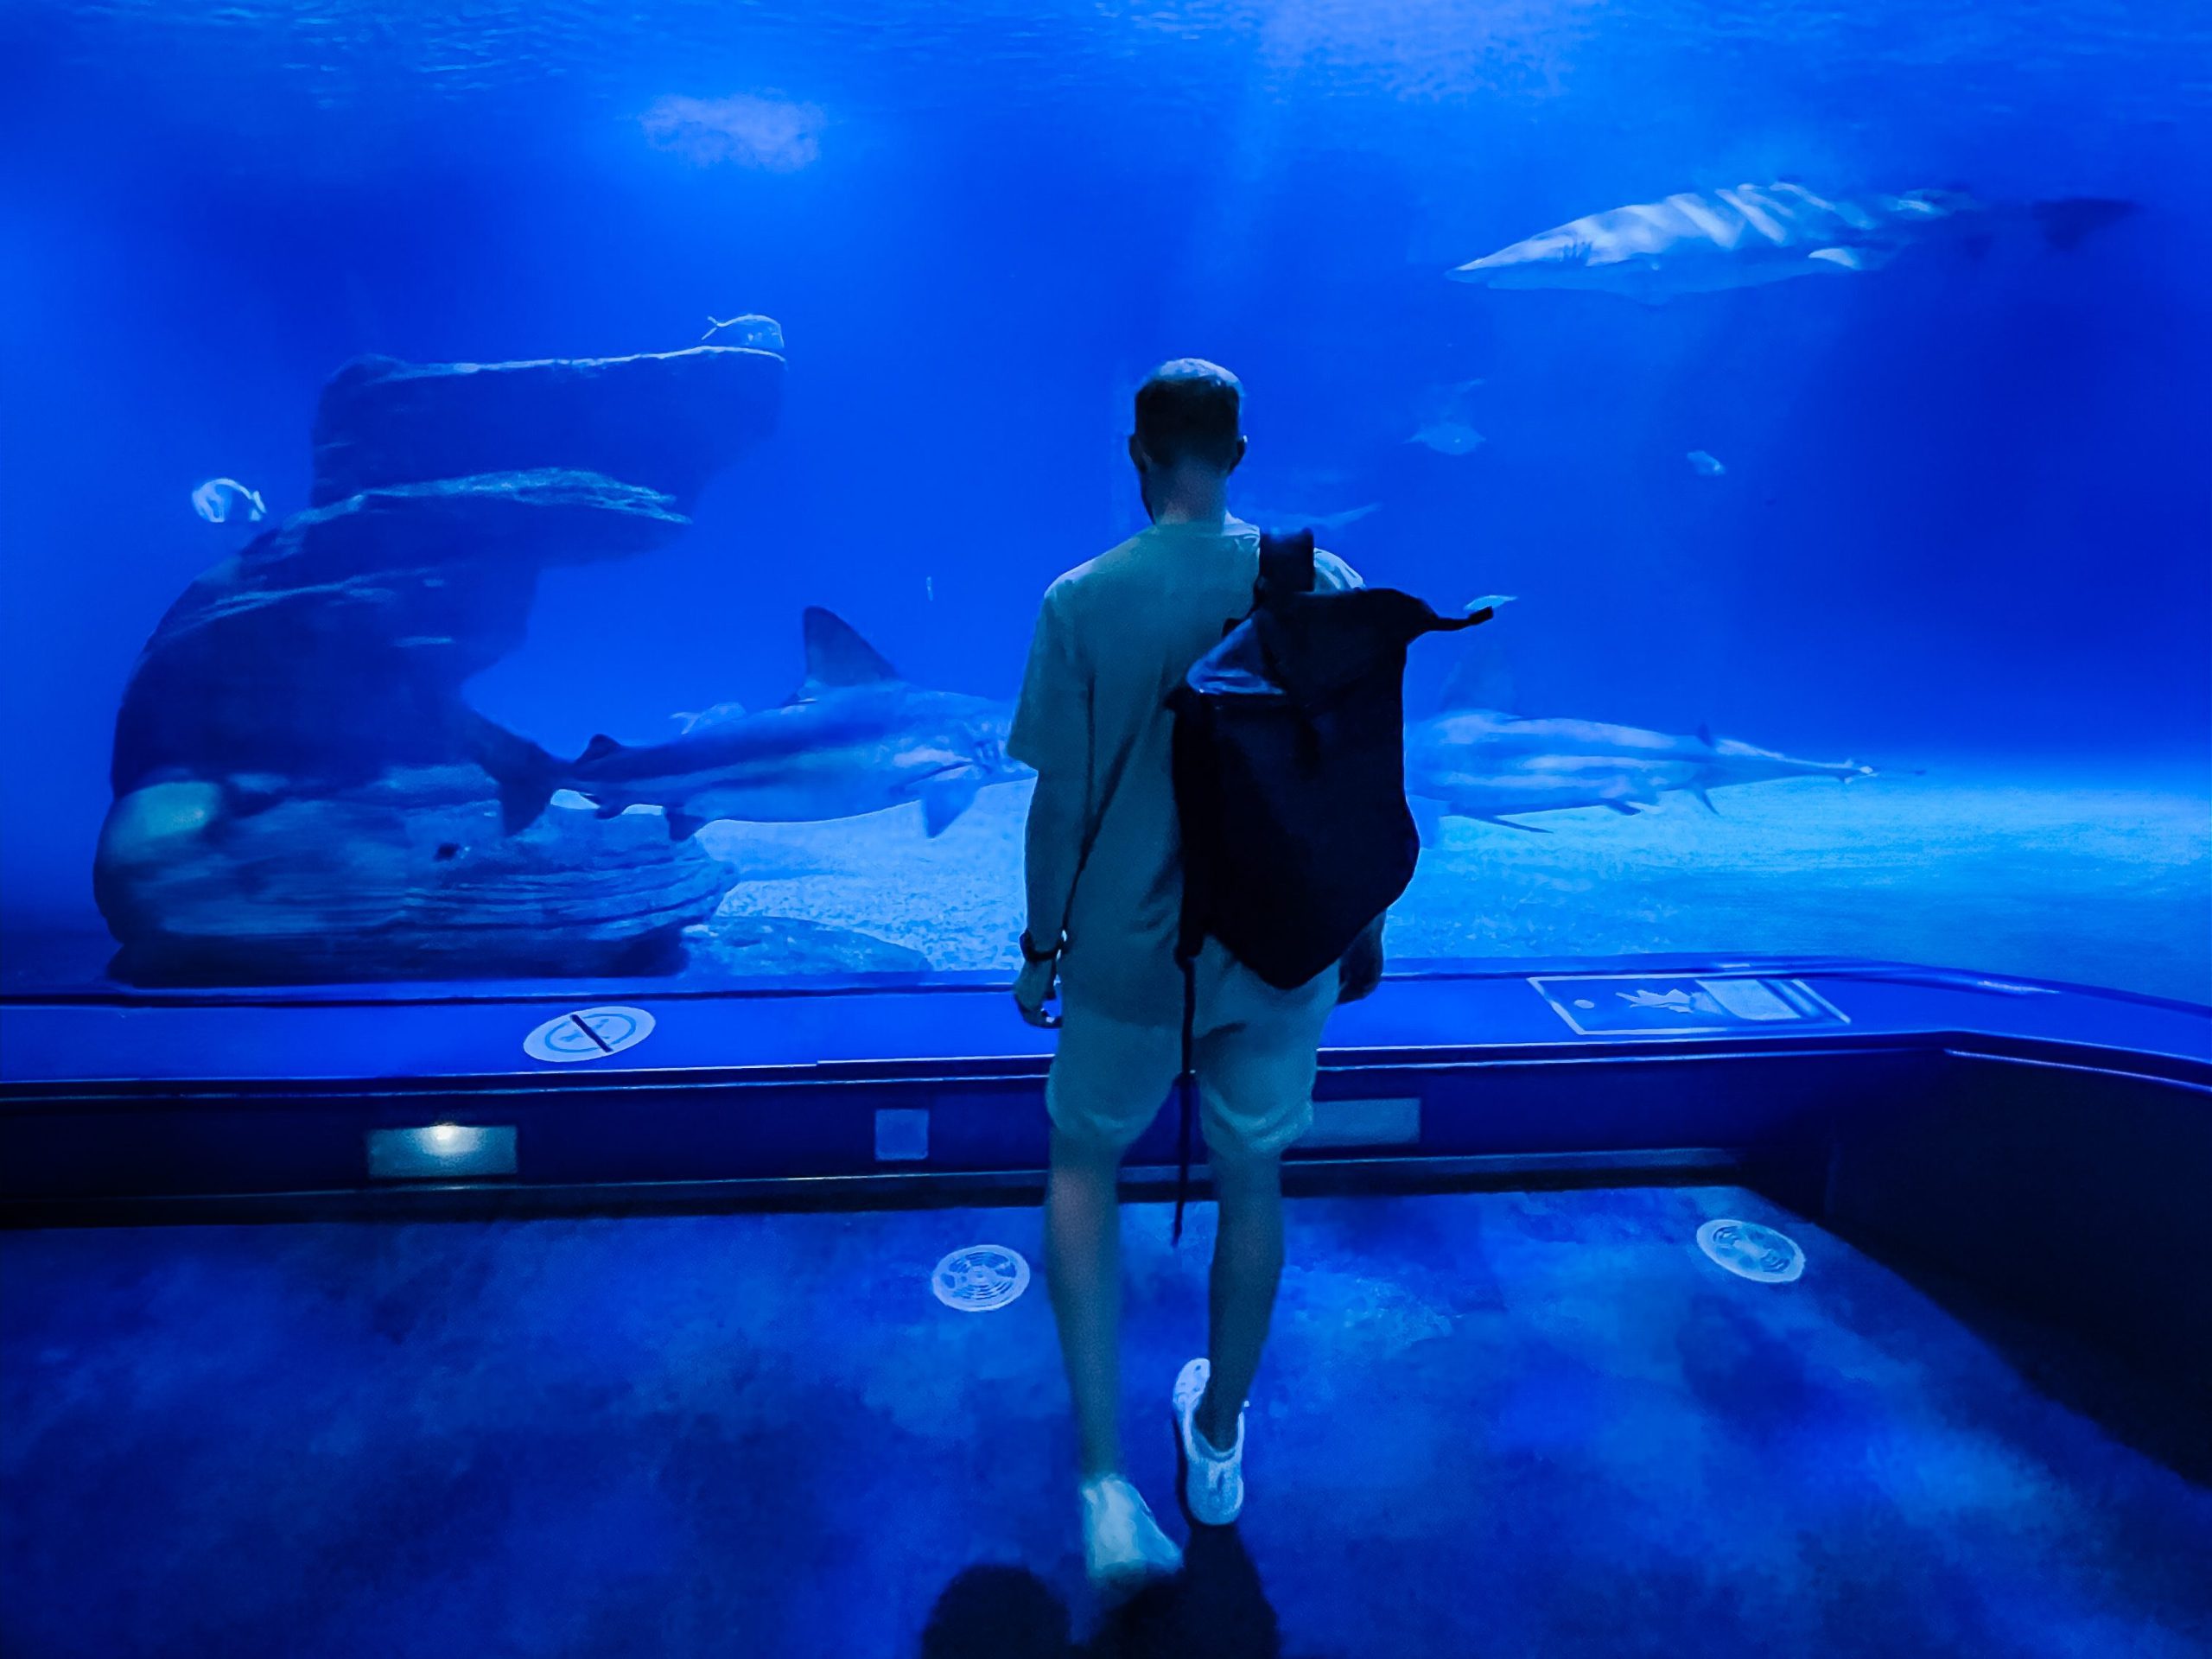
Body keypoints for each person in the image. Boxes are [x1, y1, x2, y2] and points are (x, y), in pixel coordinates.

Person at [1007, 360, 1359, 1592]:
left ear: (1135, 453)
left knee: (1082, 1164)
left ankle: (1106, 1482)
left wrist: (1040, 947)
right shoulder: (1323, 584)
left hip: (1122, 953)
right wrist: (1359, 934)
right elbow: (1363, 787)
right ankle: (1216, 1447)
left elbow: (1058, 810)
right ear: (1242, 452)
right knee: (1253, 1173)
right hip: (1273, 952)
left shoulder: (1082, 600)